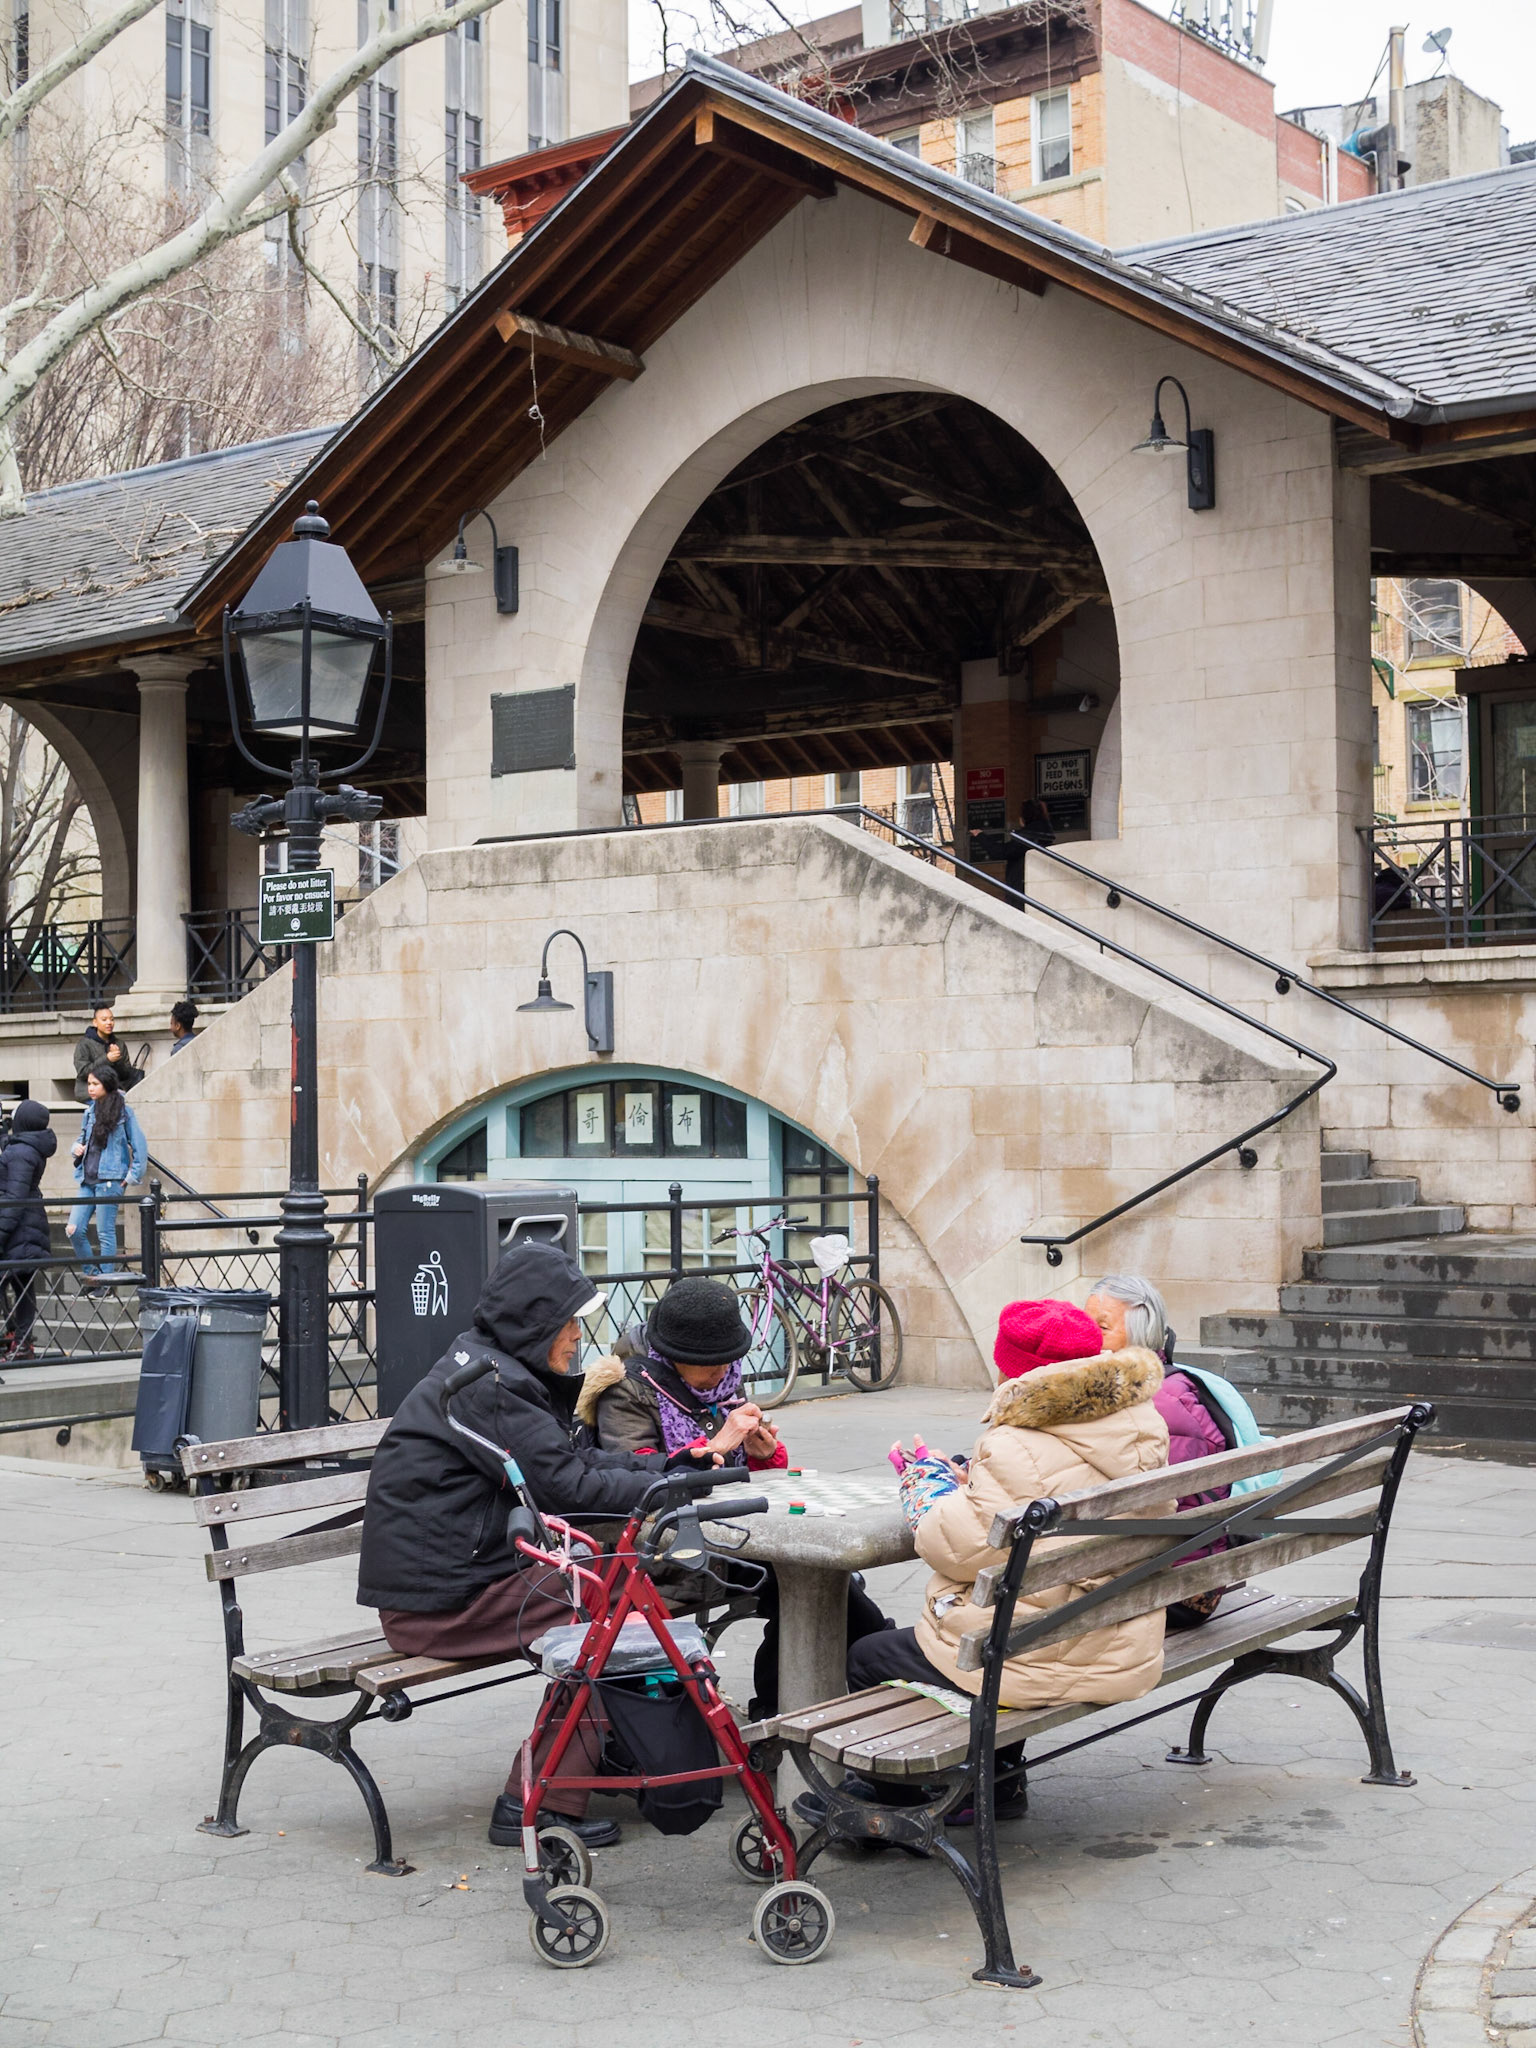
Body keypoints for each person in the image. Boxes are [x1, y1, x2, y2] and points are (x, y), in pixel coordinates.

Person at [358, 1239, 727, 1853]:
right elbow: (567, 1487)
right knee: (610, 1609)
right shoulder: (489, 1383)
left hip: (466, 1581)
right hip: (438, 1604)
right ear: (535, 1323)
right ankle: (535, 1801)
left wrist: (673, 1466)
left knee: (613, 1595)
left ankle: (600, 1754)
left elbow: (570, 1463)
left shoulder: (498, 1369)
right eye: (570, 1323)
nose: (579, 1336)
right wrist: (670, 1482)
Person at [800, 1299, 1168, 1827]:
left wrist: (925, 1485)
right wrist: (979, 1488)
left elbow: (952, 1548)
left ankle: (904, 1801)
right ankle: (997, 1778)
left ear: (1010, 1368)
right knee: (994, 1624)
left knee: (867, 1656)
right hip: (1118, 1637)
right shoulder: (1139, 1421)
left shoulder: (1017, 1442)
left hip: (1043, 1656)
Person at [581, 1275, 892, 1718]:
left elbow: (748, 1480)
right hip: (666, 1554)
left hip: (731, 1535)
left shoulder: (721, 1381)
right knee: (809, 1577)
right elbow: (641, 1486)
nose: (722, 1372)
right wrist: (719, 1447)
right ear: (674, 1356)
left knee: (819, 1577)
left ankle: (787, 1709)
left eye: (728, 1361)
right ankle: (872, 1676)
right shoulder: (628, 1389)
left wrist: (762, 1455)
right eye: (709, 1364)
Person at [1085, 1273, 1261, 1627]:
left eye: (1102, 1328)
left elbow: (1146, 1506)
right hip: (1182, 1567)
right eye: (1084, 1326)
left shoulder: (1158, 1404)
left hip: (1180, 1587)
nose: (1088, 1339)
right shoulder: (1166, 1385)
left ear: (1139, 1334)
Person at [67, 1064, 146, 1284]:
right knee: (73, 1230)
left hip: (110, 1181)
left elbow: (140, 1146)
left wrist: (130, 1177)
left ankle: (106, 1281)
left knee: (105, 1233)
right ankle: (94, 1276)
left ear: (107, 1085)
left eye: (95, 1084)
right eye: (89, 1084)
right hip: (87, 1179)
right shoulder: (89, 1111)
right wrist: (75, 1147)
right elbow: (81, 1139)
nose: (90, 1088)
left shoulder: (124, 1112)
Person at [0, 1101, 55, 1361]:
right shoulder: (27, 1147)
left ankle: (18, 1340)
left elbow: (15, 1196)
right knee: (22, 1283)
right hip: (26, 1225)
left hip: (19, 1227)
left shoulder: (21, 1152)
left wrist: (1, 1232)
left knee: (18, 1283)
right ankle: (19, 1340)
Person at [72, 1004, 143, 1102]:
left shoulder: (119, 1044)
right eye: (104, 1020)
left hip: (114, 1092)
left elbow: (126, 1074)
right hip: (90, 1094)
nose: (109, 1023)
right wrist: (107, 1059)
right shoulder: (84, 1044)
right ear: (95, 1022)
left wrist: (117, 1060)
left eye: (112, 1019)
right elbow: (83, 1072)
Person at [1004, 797, 1055, 892]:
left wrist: (981, 836)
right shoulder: (1045, 834)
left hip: (1021, 884)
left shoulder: (1025, 838)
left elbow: (1002, 852)